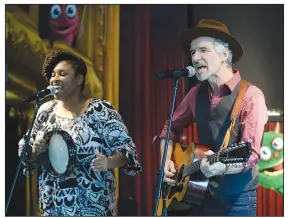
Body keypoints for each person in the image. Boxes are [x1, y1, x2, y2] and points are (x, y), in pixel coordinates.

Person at [156, 19, 268, 216]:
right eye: (192, 52)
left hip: (237, 201)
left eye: (203, 50)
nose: (195, 57)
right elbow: (170, 128)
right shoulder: (195, 94)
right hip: (200, 195)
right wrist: (165, 159)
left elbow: (250, 155)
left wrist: (220, 168)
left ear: (225, 54)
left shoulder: (251, 96)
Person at [18, 50, 142, 216]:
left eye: (62, 74)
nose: (54, 79)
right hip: (53, 205)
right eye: (53, 74)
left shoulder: (100, 110)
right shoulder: (45, 111)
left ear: (79, 79)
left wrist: (108, 162)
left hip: (92, 205)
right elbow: (27, 156)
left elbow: (128, 152)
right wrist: (34, 151)